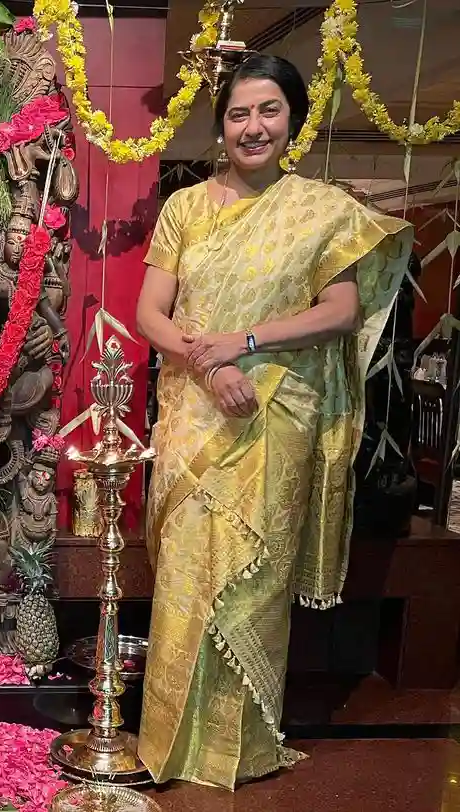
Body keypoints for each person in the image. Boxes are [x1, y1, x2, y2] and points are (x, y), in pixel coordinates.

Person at [135, 53, 413, 789]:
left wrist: (248, 341)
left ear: (292, 119)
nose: (252, 127)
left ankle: (244, 748)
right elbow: (148, 314)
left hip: (278, 415)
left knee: (253, 583)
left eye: (268, 112)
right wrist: (212, 364)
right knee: (189, 572)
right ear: (220, 123)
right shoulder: (185, 208)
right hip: (198, 414)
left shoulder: (318, 210)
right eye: (237, 113)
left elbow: (342, 310)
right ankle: (169, 744)